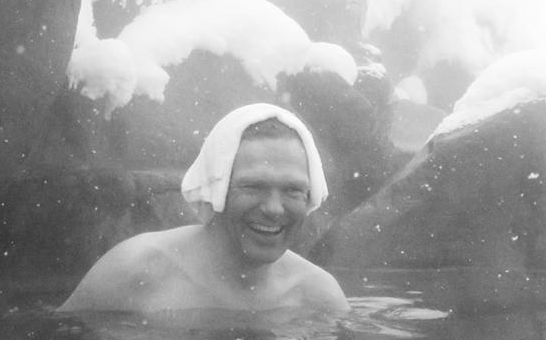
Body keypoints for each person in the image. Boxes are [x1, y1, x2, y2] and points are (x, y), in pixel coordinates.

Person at [60, 103, 349, 314]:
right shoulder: (137, 270)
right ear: (215, 188)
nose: (274, 208)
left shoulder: (318, 297)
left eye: (292, 190)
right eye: (253, 187)